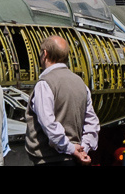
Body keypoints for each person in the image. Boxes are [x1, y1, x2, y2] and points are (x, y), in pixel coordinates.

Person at [25, 36, 97, 166]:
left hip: (49, 160)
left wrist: (70, 148)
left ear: (45, 54)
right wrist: (83, 149)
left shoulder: (45, 84)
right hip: (74, 161)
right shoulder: (80, 84)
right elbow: (92, 122)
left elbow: (49, 123)